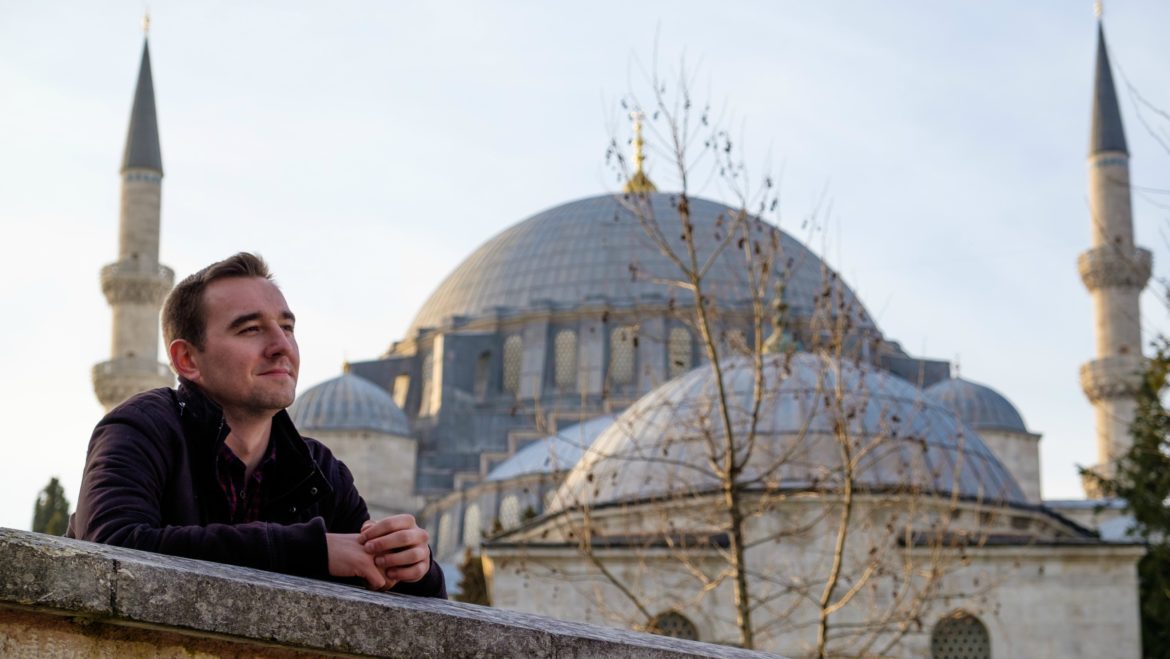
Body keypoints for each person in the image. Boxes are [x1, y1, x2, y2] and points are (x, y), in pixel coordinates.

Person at [68, 252, 445, 598]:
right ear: (187, 360)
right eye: (250, 329)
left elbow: (392, 592)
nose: (282, 345)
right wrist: (312, 550)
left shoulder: (316, 469)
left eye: (287, 327)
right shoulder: (143, 428)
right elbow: (111, 548)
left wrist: (413, 565)